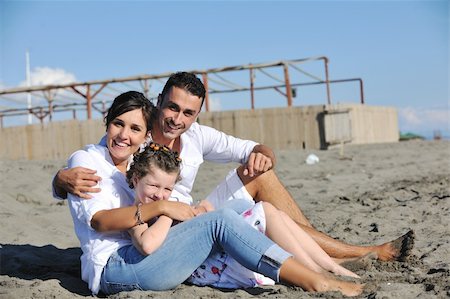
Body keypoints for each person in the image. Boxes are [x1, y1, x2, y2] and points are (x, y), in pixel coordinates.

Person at [55, 72, 414, 262]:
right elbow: (105, 157)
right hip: (168, 227)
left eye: (188, 113)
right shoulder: (138, 134)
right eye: (172, 108)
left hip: (197, 211)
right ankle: (361, 252)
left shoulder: (197, 135)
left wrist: (262, 154)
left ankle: (331, 249)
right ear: (159, 102)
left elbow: (255, 148)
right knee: (261, 202)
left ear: (197, 114)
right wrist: (59, 180)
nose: (177, 119)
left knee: (262, 174)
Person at [66, 90, 364, 296]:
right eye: (118, 124)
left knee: (241, 210)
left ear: (145, 135)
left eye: (134, 129)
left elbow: (158, 191)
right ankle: (314, 281)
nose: (124, 135)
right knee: (219, 221)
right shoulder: (88, 159)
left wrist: (181, 213)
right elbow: (99, 221)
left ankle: (319, 265)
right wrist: (165, 209)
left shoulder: (136, 159)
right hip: (116, 268)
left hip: (148, 253)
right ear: (107, 122)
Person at [126, 142, 359, 290]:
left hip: (206, 252)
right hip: (202, 268)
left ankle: (328, 265)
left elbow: (189, 229)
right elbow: (148, 244)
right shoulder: (136, 213)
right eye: (153, 186)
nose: (160, 195)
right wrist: (167, 212)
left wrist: (199, 211)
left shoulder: (163, 202)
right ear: (136, 179)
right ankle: (316, 271)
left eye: (167, 189)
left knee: (265, 208)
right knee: (259, 214)